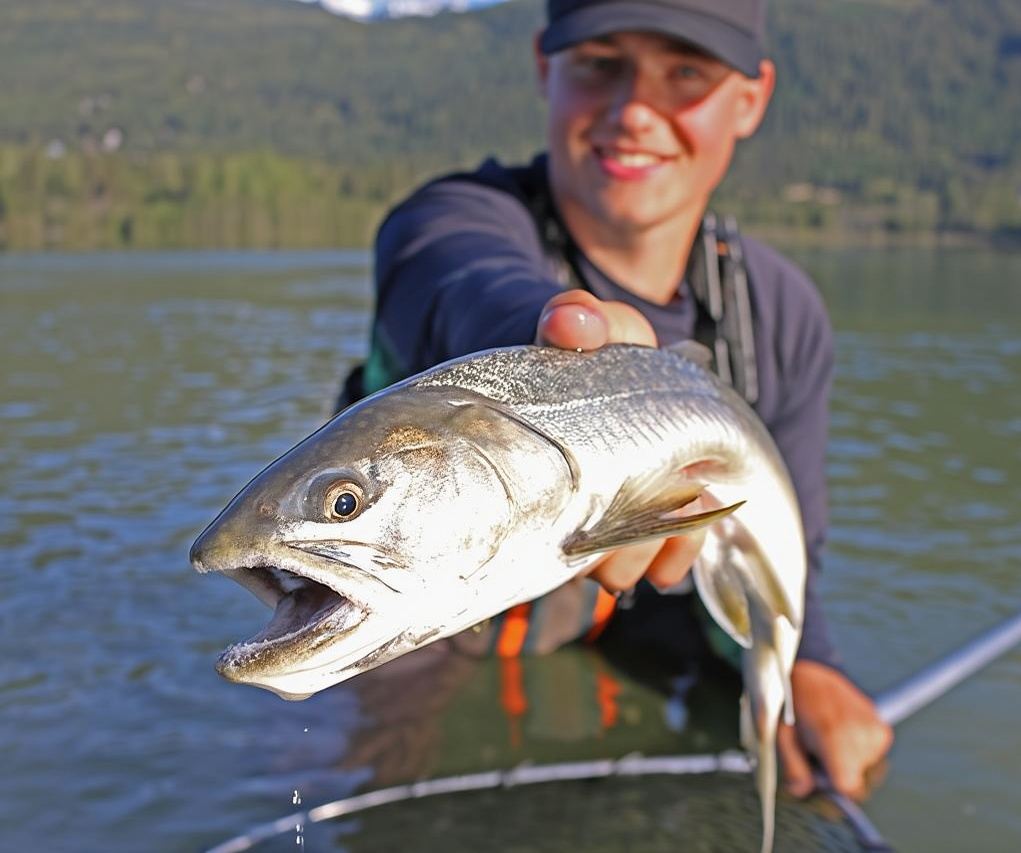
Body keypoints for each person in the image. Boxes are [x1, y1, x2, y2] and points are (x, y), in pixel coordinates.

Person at [341, 0, 892, 801]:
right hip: (432, 653)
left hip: (658, 640)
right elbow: (469, 292)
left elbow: (787, 538)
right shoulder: (445, 226)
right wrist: (562, 356)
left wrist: (810, 662)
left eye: (687, 74)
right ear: (543, 67)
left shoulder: (780, 314)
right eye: (600, 63)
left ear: (751, 97)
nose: (635, 111)